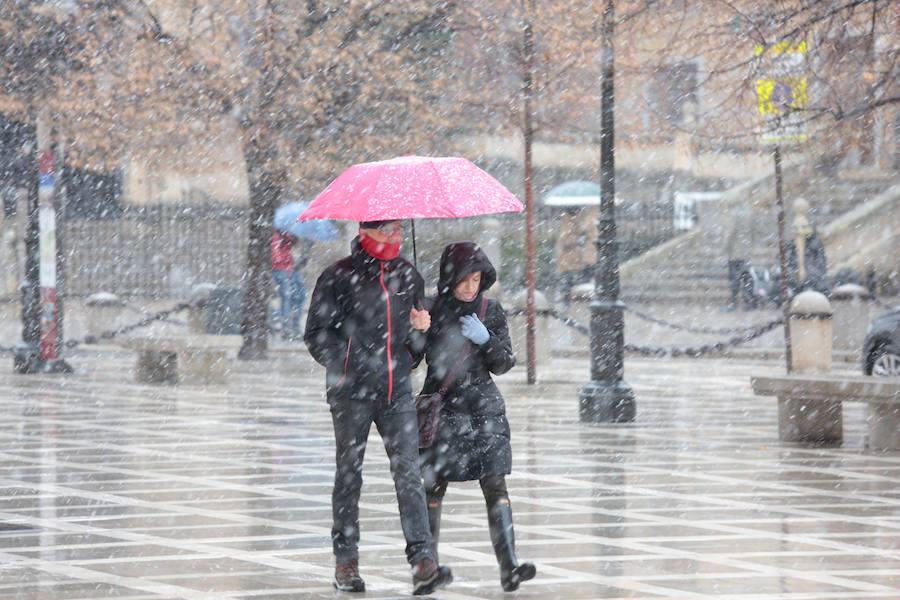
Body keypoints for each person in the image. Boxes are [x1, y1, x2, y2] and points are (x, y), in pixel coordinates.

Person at [303, 219, 452, 596]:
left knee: (409, 472)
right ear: (365, 231)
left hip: (395, 392)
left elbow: (416, 347)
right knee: (349, 474)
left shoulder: (408, 275)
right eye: (387, 229)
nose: (395, 236)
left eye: (399, 229)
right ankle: (346, 560)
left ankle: (423, 559)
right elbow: (316, 334)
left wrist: (420, 329)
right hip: (350, 393)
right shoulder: (337, 276)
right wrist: (350, 363)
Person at [414, 241, 536, 592]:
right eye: (464, 280)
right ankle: (428, 569)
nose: (470, 287)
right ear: (449, 279)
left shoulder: (490, 309)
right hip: (442, 408)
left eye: (476, 280)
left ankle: (509, 566)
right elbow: (410, 360)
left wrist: (486, 340)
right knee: (432, 488)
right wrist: (417, 330)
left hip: (484, 409)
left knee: (496, 485)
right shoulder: (431, 308)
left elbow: (504, 363)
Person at [554, 206, 597, 305]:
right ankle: (567, 303)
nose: (579, 215)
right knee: (568, 282)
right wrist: (576, 239)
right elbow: (563, 241)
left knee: (573, 282)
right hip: (567, 261)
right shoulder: (568, 223)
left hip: (574, 260)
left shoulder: (574, 223)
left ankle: (570, 302)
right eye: (578, 212)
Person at [722, 200, 755, 311]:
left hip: (735, 251)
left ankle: (733, 302)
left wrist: (726, 247)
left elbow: (729, 233)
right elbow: (753, 232)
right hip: (745, 251)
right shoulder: (749, 213)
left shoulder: (733, 215)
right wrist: (750, 246)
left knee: (734, 278)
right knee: (746, 277)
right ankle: (748, 301)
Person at [271, 229, 302, 339]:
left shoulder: (289, 235)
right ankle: (285, 327)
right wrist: (289, 256)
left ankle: (294, 326)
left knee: (299, 296)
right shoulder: (276, 236)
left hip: (290, 269)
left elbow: (289, 251)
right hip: (280, 269)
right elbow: (276, 257)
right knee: (286, 297)